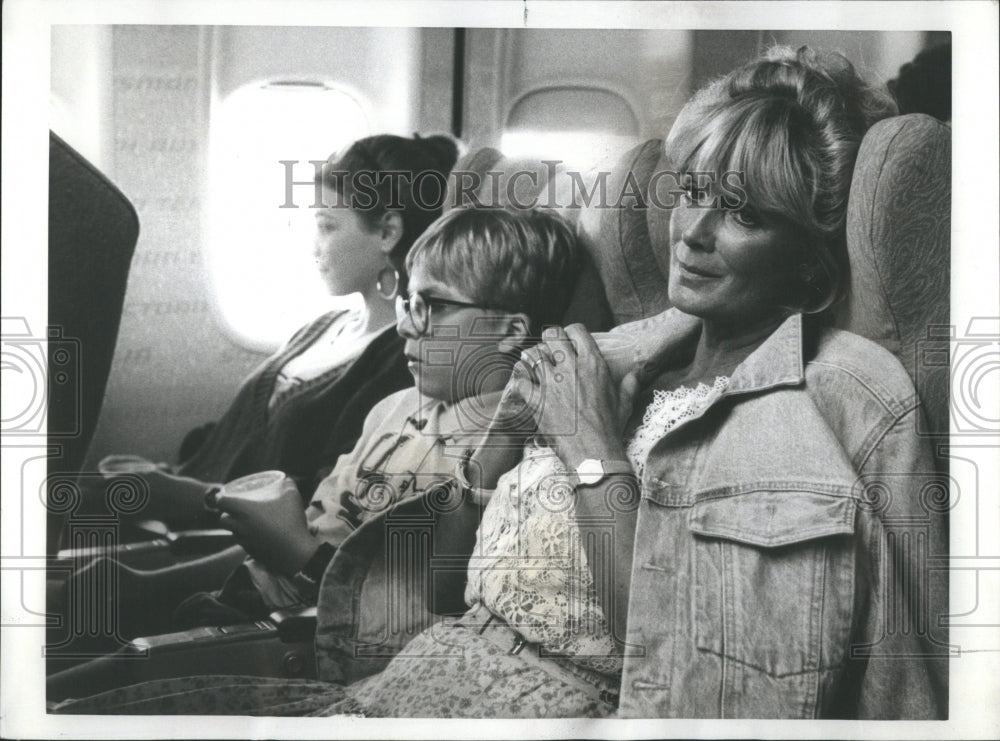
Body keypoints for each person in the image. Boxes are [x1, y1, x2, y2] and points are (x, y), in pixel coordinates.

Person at [56, 45, 948, 719]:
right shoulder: (624, 355)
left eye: (746, 212)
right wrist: (491, 465)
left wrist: (595, 455)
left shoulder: (809, 415)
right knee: (70, 693)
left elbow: (705, 694)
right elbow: (442, 588)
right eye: (694, 190)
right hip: (396, 678)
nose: (694, 230)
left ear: (813, 272)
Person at [49, 204, 585, 706]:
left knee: (81, 695)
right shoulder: (394, 408)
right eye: (408, 302)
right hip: (251, 595)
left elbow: (414, 614)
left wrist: (295, 557)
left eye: (436, 306)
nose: (405, 324)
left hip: (311, 640)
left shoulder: (506, 456)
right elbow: (325, 517)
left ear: (511, 330)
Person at [49, 133, 458, 650]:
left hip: (231, 540)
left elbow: (324, 491)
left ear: (388, 232)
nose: (313, 244)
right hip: (196, 503)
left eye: (327, 227)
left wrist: (192, 495)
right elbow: (247, 427)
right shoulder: (327, 325)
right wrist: (165, 477)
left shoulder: (398, 362)